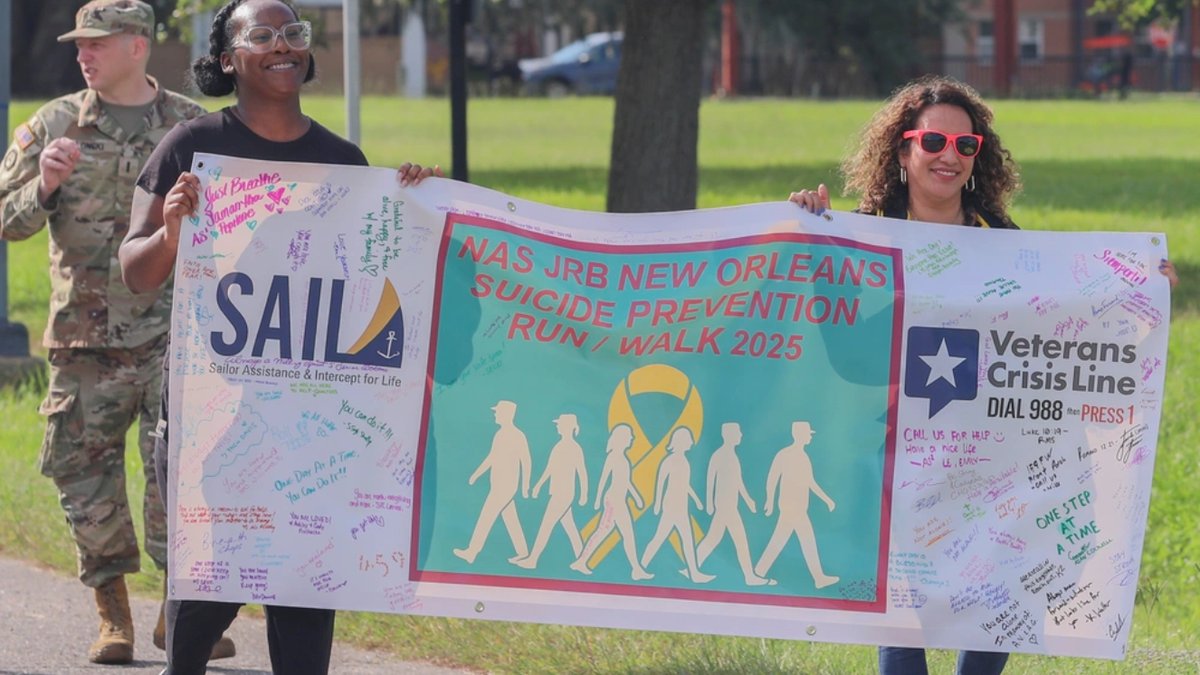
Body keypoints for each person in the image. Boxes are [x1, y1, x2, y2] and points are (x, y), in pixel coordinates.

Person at [790, 74, 1176, 675]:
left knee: (1000, 599)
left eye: (965, 147)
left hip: (1000, 462)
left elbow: (1072, 339)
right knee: (902, 620)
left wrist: (1147, 294)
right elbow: (845, 356)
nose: (949, 157)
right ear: (902, 149)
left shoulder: (1012, 250)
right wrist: (812, 239)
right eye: (934, 142)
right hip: (896, 460)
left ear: (979, 158)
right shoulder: (861, 241)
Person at [117, 1, 438, 672]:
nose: (282, 45)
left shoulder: (341, 159)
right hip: (222, 419)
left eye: (293, 33)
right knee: (209, 589)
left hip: (313, 423)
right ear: (230, 58)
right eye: (260, 36)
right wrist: (174, 228)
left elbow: (372, 276)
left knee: (304, 587)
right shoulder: (190, 148)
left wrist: (413, 205)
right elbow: (136, 271)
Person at [0, 0, 235, 665]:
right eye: (79, 44)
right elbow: (4, 220)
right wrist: (43, 185)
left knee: (183, 477)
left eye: (97, 43)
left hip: (175, 339)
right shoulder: (53, 125)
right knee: (86, 480)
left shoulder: (193, 126)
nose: (83, 54)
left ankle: (177, 615)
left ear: (138, 46)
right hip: (84, 341)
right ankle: (114, 622)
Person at [454, 400, 532, 564]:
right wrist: (476, 474)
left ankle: (472, 552)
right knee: (511, 519)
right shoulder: (500, 434)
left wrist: (525, 486)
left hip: (506, 486)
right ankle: (523, 552)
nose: (495, 414)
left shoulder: (517, 435)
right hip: (498, 484)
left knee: (486, 516)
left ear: (506, 414)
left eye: (497, 412)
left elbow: (526, 461)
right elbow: (492, 457)